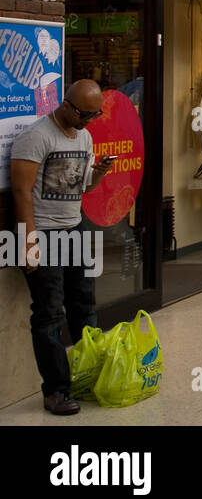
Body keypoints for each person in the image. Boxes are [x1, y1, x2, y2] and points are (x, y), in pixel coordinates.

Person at [10, 80, 115, 416]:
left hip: (75, 227)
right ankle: (55, 390)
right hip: (44, 233)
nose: (90, 121)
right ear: (67, 106)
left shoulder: (84, 136)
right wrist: (28, 243)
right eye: (85, 114)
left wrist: (98, 174)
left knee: (85, 306)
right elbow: (22, 192)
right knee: (49, 313)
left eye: (95, 114)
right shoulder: (37, 137)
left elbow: (82, 186)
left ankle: (88, 376)